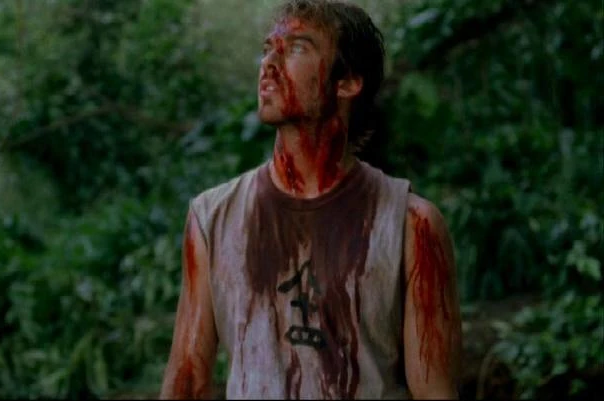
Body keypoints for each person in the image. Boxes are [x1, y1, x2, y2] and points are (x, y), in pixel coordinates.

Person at [159, 0, 463, 399]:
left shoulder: (412, 225)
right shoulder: (212, 217)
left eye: (297, 48)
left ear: (347, 82)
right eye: (268, 48)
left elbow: (435, 392)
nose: (268, 64)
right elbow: (187, 381)